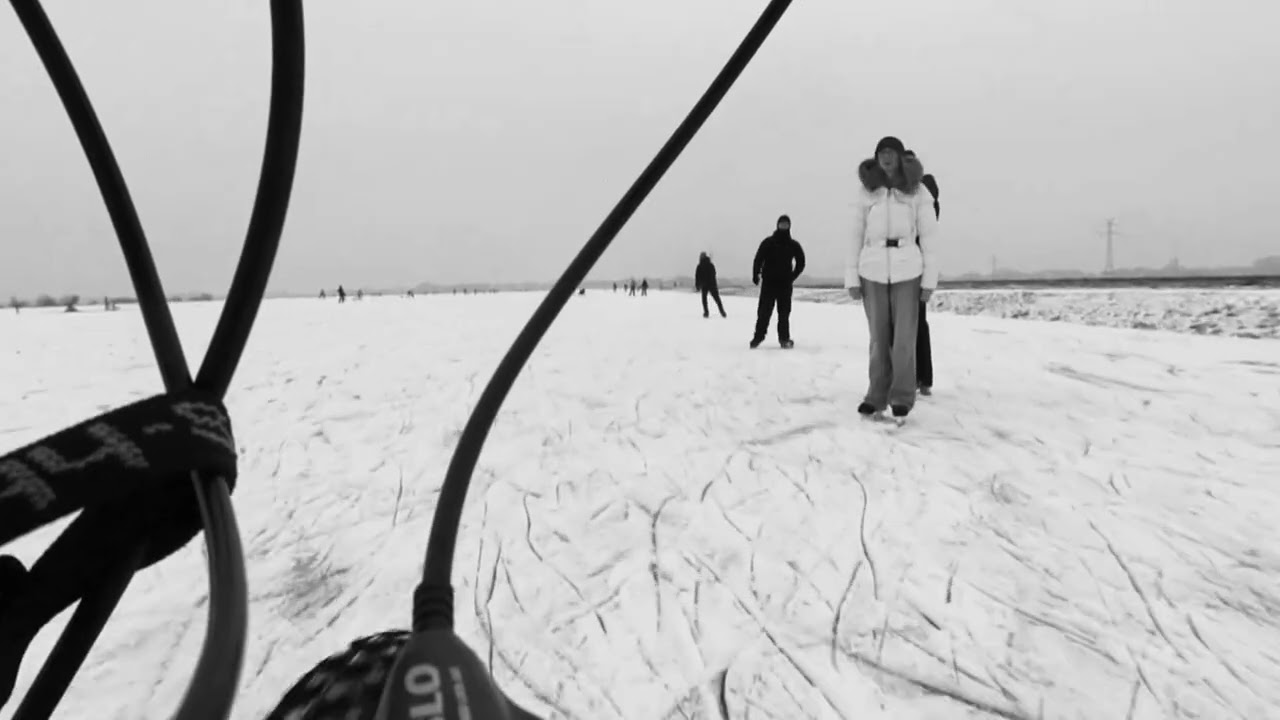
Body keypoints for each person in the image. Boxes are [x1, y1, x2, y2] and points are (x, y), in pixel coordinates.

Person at [846, 136, 939, 419]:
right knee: (878, 338)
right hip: (871, 270)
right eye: (881, 153)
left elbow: (930, 237)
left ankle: (902, 396)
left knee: (904, 339)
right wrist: (852, 276)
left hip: (908, 269)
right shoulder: (866, 192)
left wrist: (929, 281)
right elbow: (854, 234)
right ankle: (876, 395)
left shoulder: (917, 191)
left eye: (891, 153)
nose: (886, 158)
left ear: (900, 157)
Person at [903, 149, 940, 396]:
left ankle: (922, 377)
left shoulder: (924, 192)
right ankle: (912, 376)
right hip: (898, 266)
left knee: (916, 323)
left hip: (915, 265)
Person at [751, 214, 806, 349]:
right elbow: (758, 259)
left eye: (786, 225)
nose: (783, 227)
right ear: (777, 225)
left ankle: (784, 339)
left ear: (789, 226)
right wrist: (756, 274)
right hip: (769, 283)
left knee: (784, 313)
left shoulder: (793, 245)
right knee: (764, 312)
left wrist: (792, 276)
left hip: (785, 285)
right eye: (781, 224)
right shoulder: (768, 242)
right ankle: (758, 337)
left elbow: (801, 262)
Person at [694, 252, 727, 318]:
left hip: (706, 285)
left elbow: (697, 277)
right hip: (711, 285)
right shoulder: (710, 265)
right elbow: (713, 274)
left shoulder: (700, 266)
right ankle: (722, 312)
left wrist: (698, 285)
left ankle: (706, 313)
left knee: (705, 300)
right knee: (716, 299)